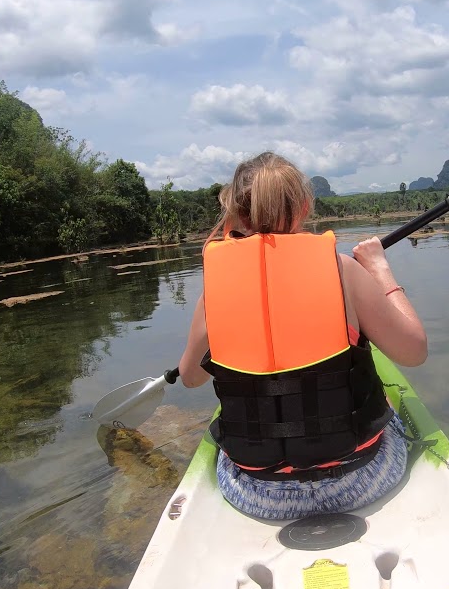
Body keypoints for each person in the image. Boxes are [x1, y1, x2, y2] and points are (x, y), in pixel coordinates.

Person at [178, 152, 428, 521]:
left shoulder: (214, 291)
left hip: (257, 493)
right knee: (386, 405)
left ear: (237, 213)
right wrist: (379, 270)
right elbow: (414, 352)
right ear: (306, 206)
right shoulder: (343, 270)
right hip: (363, 479)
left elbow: (191, 377)